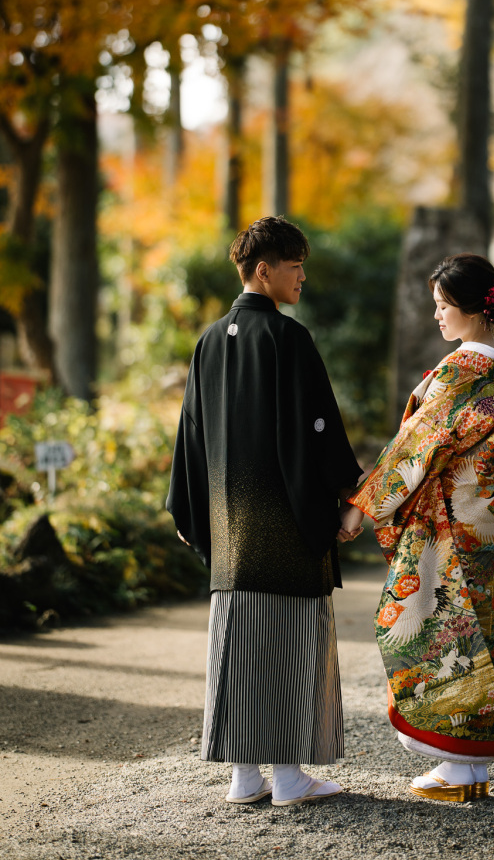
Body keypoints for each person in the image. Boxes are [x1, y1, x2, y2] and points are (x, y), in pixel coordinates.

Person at [338, 253, 494, 802]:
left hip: (453, 533)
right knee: (491, 638)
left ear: (470, 309)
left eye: (442, 306)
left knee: (437, 634)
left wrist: (363, 507)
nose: (436, 316)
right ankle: (473, 770)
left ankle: (458, 770)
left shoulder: (460, 376)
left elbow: (413, 447)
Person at [167, 216, 363, 808]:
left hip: (232, 528)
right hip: (286, 525)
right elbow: (319, 431)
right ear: (263, 270)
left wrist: (190, 511)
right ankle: (289, 776)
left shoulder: (207, 340)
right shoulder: (287, 338)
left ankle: (244, 777)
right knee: (291, 643)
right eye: (295, 266)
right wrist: (352, 496)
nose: (302, 277)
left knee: (239, 647)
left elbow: (190, 439)